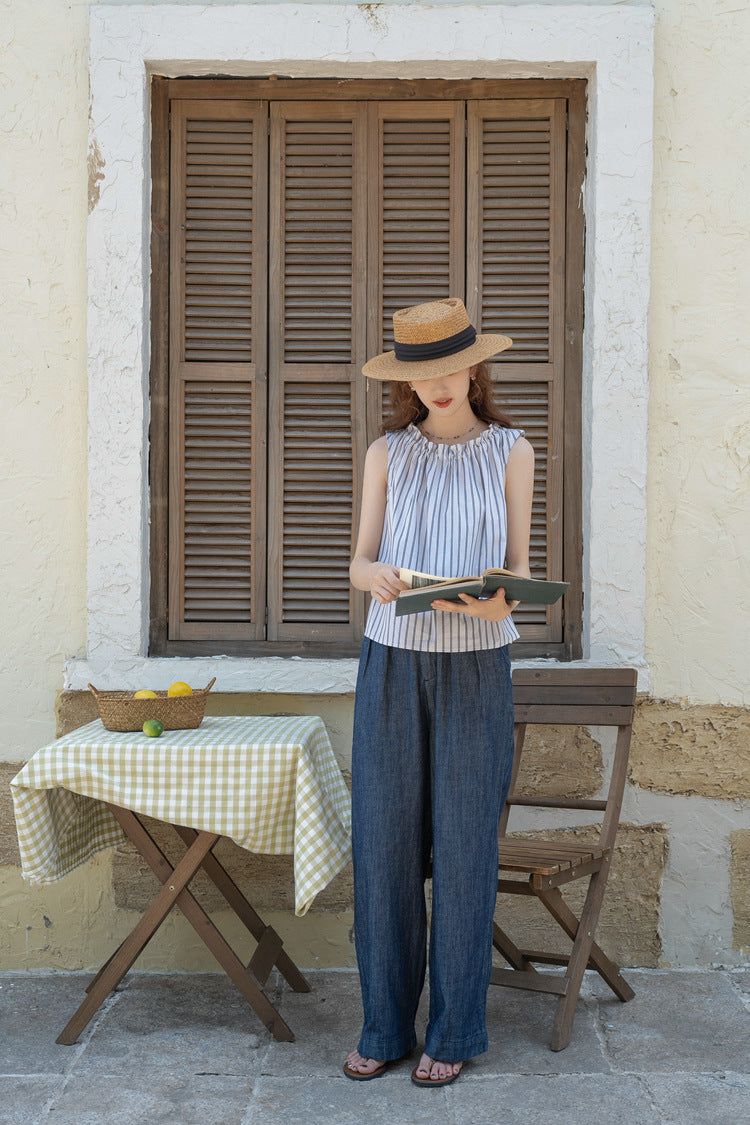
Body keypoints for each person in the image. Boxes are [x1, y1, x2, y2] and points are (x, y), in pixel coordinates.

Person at [343, 297, 535, 1088]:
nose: (441, 384)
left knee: (464, 851)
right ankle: (386, 1024)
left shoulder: (514, 451)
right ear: (408, 384)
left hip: (476, 668)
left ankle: (455, 1028)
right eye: (424, 375)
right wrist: (377, 575)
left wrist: (496, 599)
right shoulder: (387, 452)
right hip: (390, 663)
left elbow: (520, 572)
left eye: (453, 368)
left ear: (475, 368)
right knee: (384, 847)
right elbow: (357, 564)